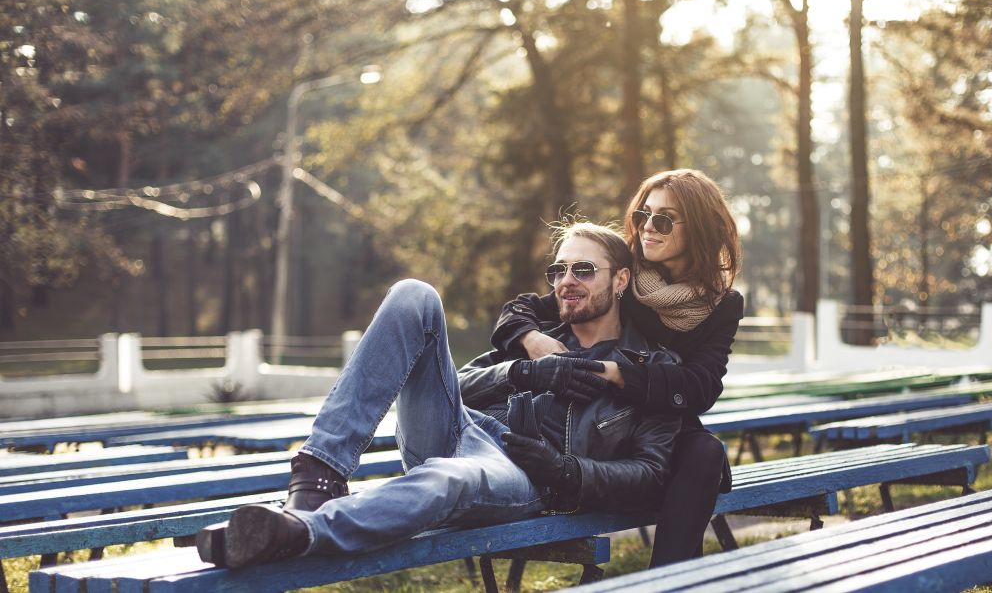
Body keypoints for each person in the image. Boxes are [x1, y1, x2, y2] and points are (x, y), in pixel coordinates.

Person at [196, 222, 682, 568]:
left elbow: (652, 471)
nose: (566, 282)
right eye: (557, 271)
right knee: (414, 294)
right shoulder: (539, 340)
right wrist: (523, 373)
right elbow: (458, 387)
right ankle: (318, 478)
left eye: (582, 269)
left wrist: (566, 471)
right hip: (466, 430)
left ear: (620, 279)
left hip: (526, 476)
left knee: (449, 476)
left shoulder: (651, 370)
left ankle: (300, 533)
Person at [490, 169, 743, 566]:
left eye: (664, 219)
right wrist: (531, 339)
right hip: (608, 427)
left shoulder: (723, 304)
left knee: (703, 453)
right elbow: (521, 309)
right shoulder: (623, 277)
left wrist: (616, 372)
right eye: (643, 215)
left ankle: (666, 582)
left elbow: (701, 387)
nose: (647, 228)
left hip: (660, 428)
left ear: (698, 229)